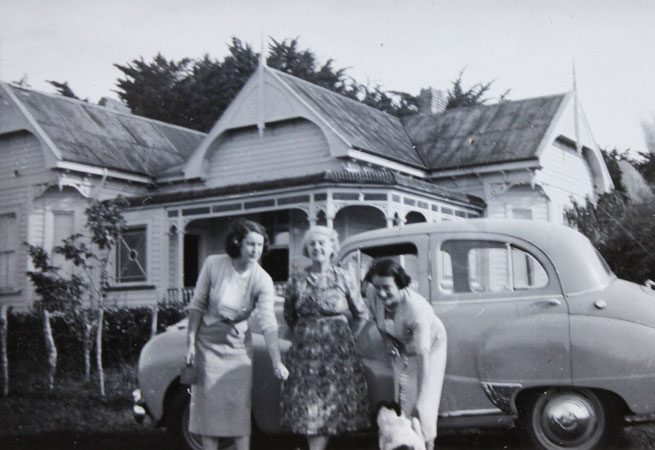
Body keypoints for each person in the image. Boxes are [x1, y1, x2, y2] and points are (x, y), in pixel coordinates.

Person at [185, 219, 289, 450]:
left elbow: (268, 322)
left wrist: (276, 361)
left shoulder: (263, 279)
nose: (255, 250)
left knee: (238, 410)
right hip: (208, 344)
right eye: (250, 244)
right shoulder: (213, 264)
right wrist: (190, 344)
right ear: (237, 243)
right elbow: (197, 305)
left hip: (238, 349)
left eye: (260, 245)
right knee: (209, 409)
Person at [279, 226, 371, 450]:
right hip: (306, 354)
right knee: (310, 404)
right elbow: (289, 316)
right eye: (312, 244)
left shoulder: (344, 277)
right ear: (307, 249)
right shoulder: (297, 280)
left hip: (337, 353)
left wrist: (348, 338)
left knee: (331, 403)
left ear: (332, 248)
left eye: (322, 243)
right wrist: (307, 334)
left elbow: (361, 314)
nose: (317, 248)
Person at [364, 259, 447, 450]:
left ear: (400, 284)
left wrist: (422, 400)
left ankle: (426, 443)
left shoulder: (418, 310)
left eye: (387, 287)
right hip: (401, 340)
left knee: (423, 403)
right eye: (378, 287)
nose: (381, 293)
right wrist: (386, 338)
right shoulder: (372, 291)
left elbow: (423, 357)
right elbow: (376, 317)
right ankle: (402, 441)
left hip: (431, 346)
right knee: (402, 395)